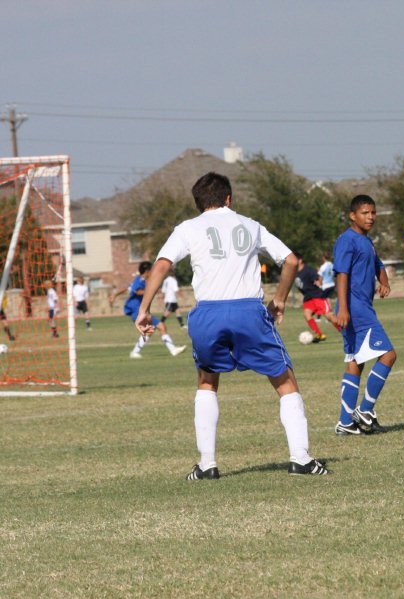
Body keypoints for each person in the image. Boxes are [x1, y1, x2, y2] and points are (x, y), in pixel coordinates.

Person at [135, 171, 328, 479]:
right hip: (248, 311)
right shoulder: (250, 225)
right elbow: (291, 260)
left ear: (198, 203)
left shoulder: (187, 228)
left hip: (208, 314)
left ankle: (207, 465)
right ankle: (301, 459)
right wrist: (279, 299)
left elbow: (161, 265)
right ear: (228, 198)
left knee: (207, 381)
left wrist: (144, 309)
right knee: (284, 381)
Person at [332, 195, 396, 436]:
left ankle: (345, 422)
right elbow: (342, 274)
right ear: (352, 215)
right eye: (365, 213)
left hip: (360, 307)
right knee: (388, 355)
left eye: (373, 212)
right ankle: (365, 410)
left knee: (355, 363)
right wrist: (343, 308)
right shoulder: (347, 240)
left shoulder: (366, 241)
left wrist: (384, 282)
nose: (370, 217)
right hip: (355, 309)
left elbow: (379, 265)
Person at [109, 262, 186, 358]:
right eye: (151, 270)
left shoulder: (140, 280)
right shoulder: (139, 280)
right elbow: (137, 291)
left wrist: (115, 295)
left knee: (149, 331)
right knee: (161, 326)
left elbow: (127, 289)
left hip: (139, 311)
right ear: (147, 271)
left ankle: (135, 352)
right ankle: (173, 350)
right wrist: (151, 290)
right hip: (137, 311)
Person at [295, 254, 341, 342]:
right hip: (308, 297)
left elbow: (319, 278)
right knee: (307, 314)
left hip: (317, 295)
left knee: (329, 316)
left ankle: (344, 332)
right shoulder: (294, 272)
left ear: (300, 260)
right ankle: (320, 335)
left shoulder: (307, 270)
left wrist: (319, 282)